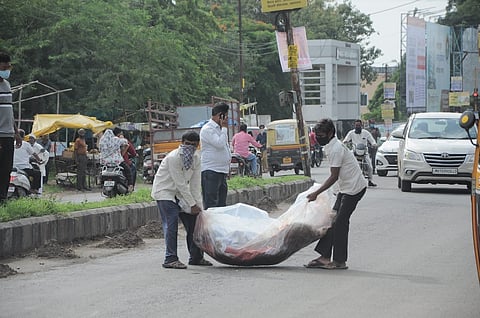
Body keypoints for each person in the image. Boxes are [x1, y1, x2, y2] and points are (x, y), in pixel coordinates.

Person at [305, 119, 367, 270]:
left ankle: (339, 261)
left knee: (340, 223)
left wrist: (316, 193)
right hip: (344, 189)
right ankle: (325, 257)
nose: (318, 138)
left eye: (321, 135)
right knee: (331, 221)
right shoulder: (330, 146)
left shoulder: (336, 149)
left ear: (330, 133)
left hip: (354, 189)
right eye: (317, 135)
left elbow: (334, 176)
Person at [151, 131, 212, 269]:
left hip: (180, 195)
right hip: (165, 192)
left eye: (193, 145)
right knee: (171, 224)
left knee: (195, 224)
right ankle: (170, 258)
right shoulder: (174, 157)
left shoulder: (196, 158)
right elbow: (180, 183)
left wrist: (198, 207)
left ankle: (196, 257)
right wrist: (191, 204)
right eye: (187, 144)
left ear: (198, 146)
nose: (190, 148)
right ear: (182, 143)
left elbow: (195, 185)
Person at [200, 102, 231, 209]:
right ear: (220, 115)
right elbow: (220, 144)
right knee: (211, 204)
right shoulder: (208, 129)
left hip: (221, 171)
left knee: (221, 204)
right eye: (225, 116)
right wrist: (225, 128)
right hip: (211, 170)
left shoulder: (220, 129)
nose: (227, 119)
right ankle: (210, 226)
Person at [0, 52, 21, 203]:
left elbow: (9, 111)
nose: (7, 69)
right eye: (4, 66)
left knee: (6, 168)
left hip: (8, 134)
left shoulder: (6, 85)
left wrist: (16, 132)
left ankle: (3, 198)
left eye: (9, 66)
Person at [343, 119, 377, 187]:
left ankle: (370, 180)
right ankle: (349, 179)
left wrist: (374, 144)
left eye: (359, 125)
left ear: (361, 126)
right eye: (356, 125)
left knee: (370, 166)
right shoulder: (351, 133)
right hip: (354, 151)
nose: (357, 126)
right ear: (354, 126)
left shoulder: (366, 133)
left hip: (364, 152)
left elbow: (372, 140)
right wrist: (345, 142)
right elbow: (345, 140)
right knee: (347, 164)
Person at [13, 129, 42, 194]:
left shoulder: (12, 143)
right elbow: (34, 154)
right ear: (23, 136)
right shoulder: (26, 144)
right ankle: (34, 189)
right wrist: (39, 160)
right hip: (24, 168)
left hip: (13, 167)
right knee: (38, 173)